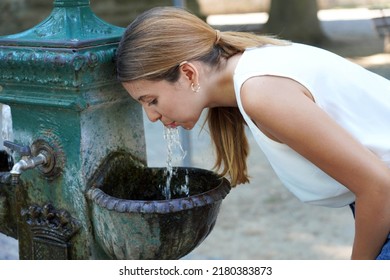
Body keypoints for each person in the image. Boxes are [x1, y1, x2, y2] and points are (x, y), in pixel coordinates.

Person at [115, 6, 390, 260]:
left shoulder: (261, 93)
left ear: (188, 74)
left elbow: (380, 188)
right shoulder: (253, 65)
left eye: (151, 100)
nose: (151, 116)